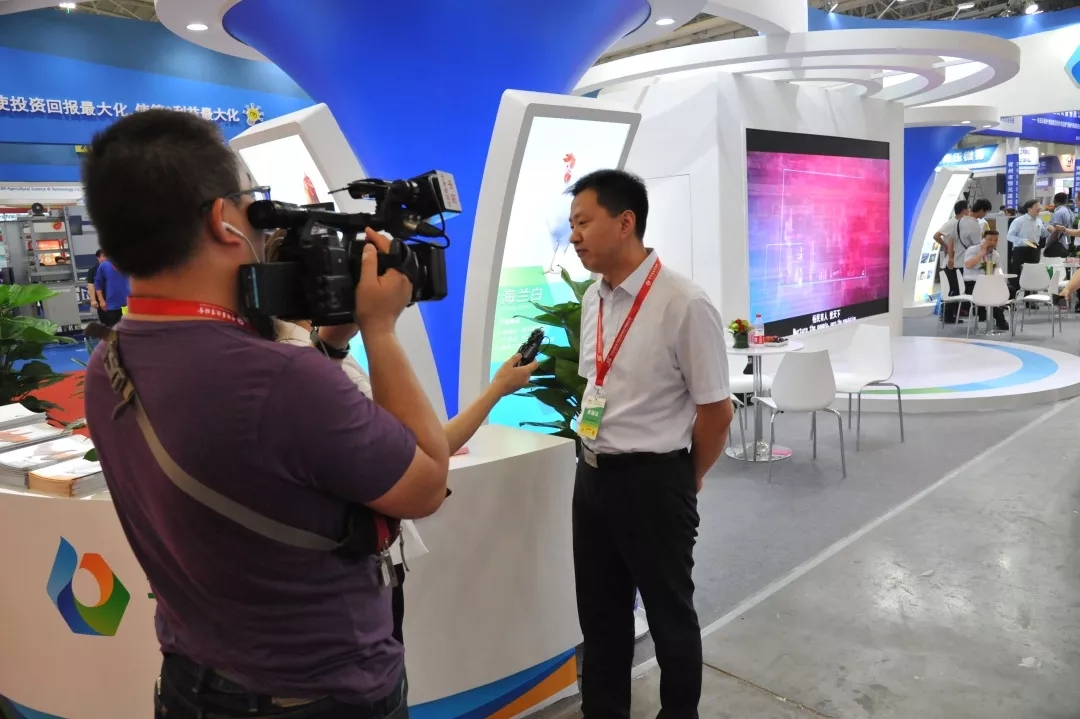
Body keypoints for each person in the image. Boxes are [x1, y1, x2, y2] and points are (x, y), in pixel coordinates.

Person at [81, 109, 449, 718]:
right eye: (253, 202)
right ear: (222, 220)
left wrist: (329, 347)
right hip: (317, 694)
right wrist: (381, 330)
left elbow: (264, 455)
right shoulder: (280, 379)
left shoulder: (107, 363)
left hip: (190, 680)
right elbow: (428, 483)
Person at [268, 232, 539, 646]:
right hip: (358, 570)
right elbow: (421, 462)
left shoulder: (285, 355)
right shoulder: (308, 367)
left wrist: (335, 341)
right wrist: (496, 389)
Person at [568, 168, 733, 719]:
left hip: (654, 482)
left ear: (625, 222)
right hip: (592, 476)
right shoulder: (593, 298)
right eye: (571, 225)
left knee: (669, 617)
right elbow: (600, 384)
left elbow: (716, 410)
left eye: (583, 222)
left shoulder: (684, 303)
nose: (575, 236)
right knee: (600, 617)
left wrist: (689, 477)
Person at [962, 229, 1009, 331]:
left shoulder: (995, 255)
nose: (992, 242)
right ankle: (1000, 320)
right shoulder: (972, 250)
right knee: (990, 293)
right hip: (972, 284)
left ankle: (993, 314)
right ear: (983, 240)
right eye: (990, 240)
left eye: (995, 240)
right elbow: (968, 265)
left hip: (989, 284)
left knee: (1009, 289)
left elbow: (998, 272)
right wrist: (982, 253)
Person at [936, 200, 967, 324]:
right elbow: (936, 235)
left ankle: (950, 314)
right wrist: (945, 246)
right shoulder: (952, 223)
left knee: (955, 288)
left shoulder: (960, 223)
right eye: (968, 209)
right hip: (951, 262)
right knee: (952, 288)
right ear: (964, 210)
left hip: (956, 260)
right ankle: (947, 315)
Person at [1007, 200, 1048, 276]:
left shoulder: (1039, 220)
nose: (1039, 208)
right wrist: (1024, 241)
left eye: (1040, 206)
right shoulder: (1019, 221)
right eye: (1037, 206)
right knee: (1020, 274)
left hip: (1035, 250)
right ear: (1029, 209)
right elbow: (1009, 236)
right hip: (1021, 251)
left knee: (1033, 275)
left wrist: (1049, 230)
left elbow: (1043, 234)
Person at [93, 252, 130, 327]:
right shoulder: (103, 266)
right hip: (112, 305)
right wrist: (101, 300)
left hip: (131, 304)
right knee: (114, 329)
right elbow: (98, 284)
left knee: (132, 329)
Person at [1047, 192, 1076, 257]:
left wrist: (1049, 244)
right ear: (1066, 201)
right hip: (1067, 242)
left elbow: (1055, 231)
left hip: (1059, 244)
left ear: (1054, 201)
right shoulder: (1070, 211)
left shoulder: (1058, 213)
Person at [85, 249, 105, 323]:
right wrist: (93, 300)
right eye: (104, 256)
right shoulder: (93, 270)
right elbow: (91, 285)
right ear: (98, 257)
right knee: (105, 321)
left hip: (115, 300)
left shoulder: (114, 268)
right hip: (101, 300)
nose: (106, 258)